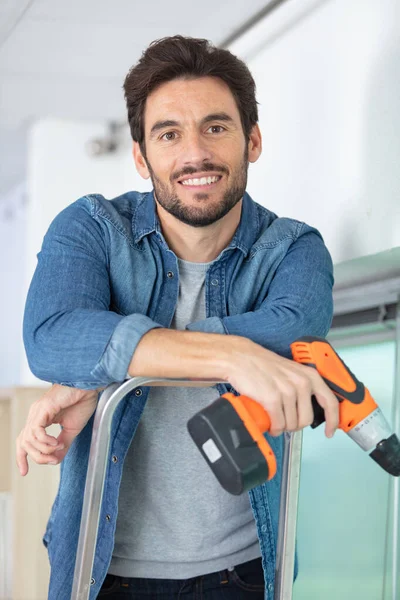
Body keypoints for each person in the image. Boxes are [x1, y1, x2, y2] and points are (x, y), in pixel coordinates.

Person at [17, 35, 338, 600]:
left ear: (252, 141)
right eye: (169, 134)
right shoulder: (92, 228)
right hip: (99, 566)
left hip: (241, 572)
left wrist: (112, 369)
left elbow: (293, 333)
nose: (195, 154)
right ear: (141, 155)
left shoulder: (293, 249)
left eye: (216, 127)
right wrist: (236, 352)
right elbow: (52, 338)